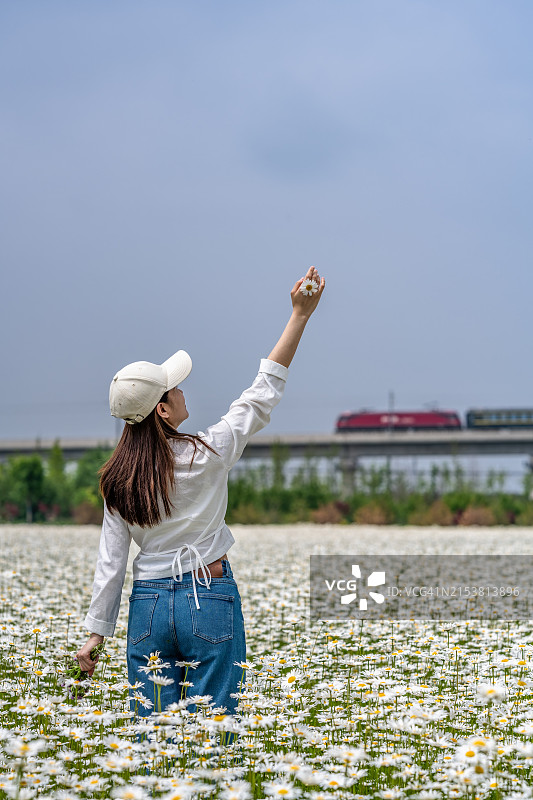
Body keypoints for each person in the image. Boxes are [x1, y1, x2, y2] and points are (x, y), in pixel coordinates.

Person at [76, 266, 325, 722]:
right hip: (207, 594)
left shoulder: (116, 477)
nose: (184, 389)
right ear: (164, 410)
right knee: (216, 732)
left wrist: (96, 634)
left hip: (146, 606)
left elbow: (111, 562)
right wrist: (299, 315)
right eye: (175, 388)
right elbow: (261, 393)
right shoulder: (208, 453)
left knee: (152, 739)